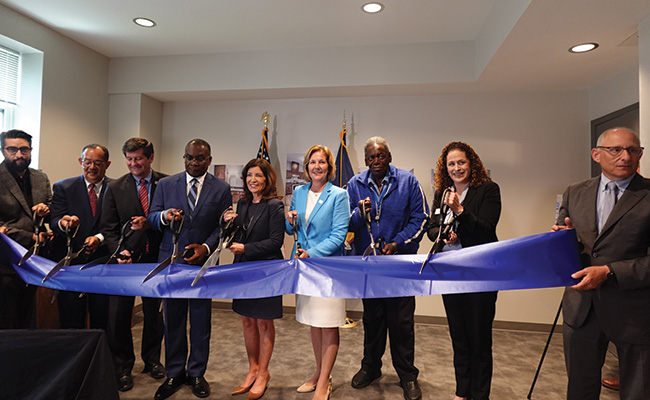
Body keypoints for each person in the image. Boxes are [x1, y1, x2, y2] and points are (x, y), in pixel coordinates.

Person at [552, 127, 650, 400]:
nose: (625, 156)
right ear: (596, 154)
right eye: (616, 150)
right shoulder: (574, 192)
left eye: (633, 150)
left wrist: (608, 272)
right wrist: (561, 241)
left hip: (635, 312)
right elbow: (570, 246)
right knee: (580, 390)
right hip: (581, 310)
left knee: (639, 391)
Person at [147, 138, 231, 400]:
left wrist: (206, 248)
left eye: (200, 159)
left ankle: (196, 373)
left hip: (203, 264)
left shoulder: (222, 188)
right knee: (173, 319)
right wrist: (164, 217)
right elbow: (152, 216)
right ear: (184, 158)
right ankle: (174, 373)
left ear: (209, 159)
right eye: (189, 158)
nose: (194, 163)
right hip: (172, 262)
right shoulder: (165, 184)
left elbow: (222, 225)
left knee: (200, 321)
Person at [347, 136, 428, 400]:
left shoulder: (408, 182)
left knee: (402, 323)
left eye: (380, 156)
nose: (376, 161)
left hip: (399, 265)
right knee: (372, 320)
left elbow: (421, 219)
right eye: (371, 157)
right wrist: (360, 214)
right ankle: (370, 368)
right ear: (366, 160)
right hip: (370, 265)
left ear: (389, 157)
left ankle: (407, 376)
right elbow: (345, 223)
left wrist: (397, 242)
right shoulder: (355, 184)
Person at [428, 141, 501, 400]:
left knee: (479, 340)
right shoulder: (441, 192)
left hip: (479, 276)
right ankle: (462, 392)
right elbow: (431, 228)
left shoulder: (488, 190)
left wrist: (459, 210)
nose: (457, 168)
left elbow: (486, 229)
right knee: (459, 338)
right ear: (444, 168)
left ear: (472, 163)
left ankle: (480, 395)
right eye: (451, 164)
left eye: (461, 162)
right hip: (451, 275)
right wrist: (444, 234)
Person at [285, 145, 350, 400]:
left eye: (321, 162)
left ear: (329, 166)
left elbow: (338, 236)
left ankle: (324, 381)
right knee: (314, 322)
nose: (316, 166)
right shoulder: (299, 192)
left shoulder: (339, 195)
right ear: (306, 166)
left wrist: (312, 254)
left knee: (328, 324)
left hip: (328, 270)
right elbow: (293, 230)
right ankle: (319, 373)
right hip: (303, 268)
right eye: (312, 162)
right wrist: (290, 222)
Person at [100, 138, 166, 391]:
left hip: (157, 259)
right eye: (129, 159)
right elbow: (108, 227)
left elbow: (173, 219)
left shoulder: (167, 183)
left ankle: (152, 361)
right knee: (119, 316)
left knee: (154, 314)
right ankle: (122, 366)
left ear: (150, 157)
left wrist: (152, 223)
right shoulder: (115, 187)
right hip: (124, 261)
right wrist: (119, 250)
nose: (133, 163)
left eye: (138, 158)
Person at [225, 159, 285, 400]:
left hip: (267, 270)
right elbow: (237, 233)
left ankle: (264, 373)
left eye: (258, 175)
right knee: (247, 321)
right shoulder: (243, 204)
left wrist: (245, 248)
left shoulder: (275, 206)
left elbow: (275, 242)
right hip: (243, 269)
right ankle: (253, 370)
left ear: (267, 179)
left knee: (263, 323)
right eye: (249, 175)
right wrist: (226, 221)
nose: (253, 180)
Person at [50, 143, 112, 331]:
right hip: (71, 264)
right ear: (80, 161)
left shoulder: (117, 188)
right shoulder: (63, 187)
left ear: (107, 164)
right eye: (87, 162)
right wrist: (65, 223)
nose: (92, 167)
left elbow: (117, 224)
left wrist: (100, 238)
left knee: (101, 320)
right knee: (71, 320)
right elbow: (55, 219)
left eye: (98, 163)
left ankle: (98, 358)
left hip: (103, 264)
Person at [0, 129, 52, 329]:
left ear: (31, 150)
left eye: (24, 149)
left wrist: (46, 210)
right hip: (5, 261)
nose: (19, 155)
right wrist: (31, 236)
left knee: (28, 315)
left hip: (34, 260)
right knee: (6, 318)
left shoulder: (40, 177)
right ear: (3, 150)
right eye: (12, 149)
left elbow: (51, 208)